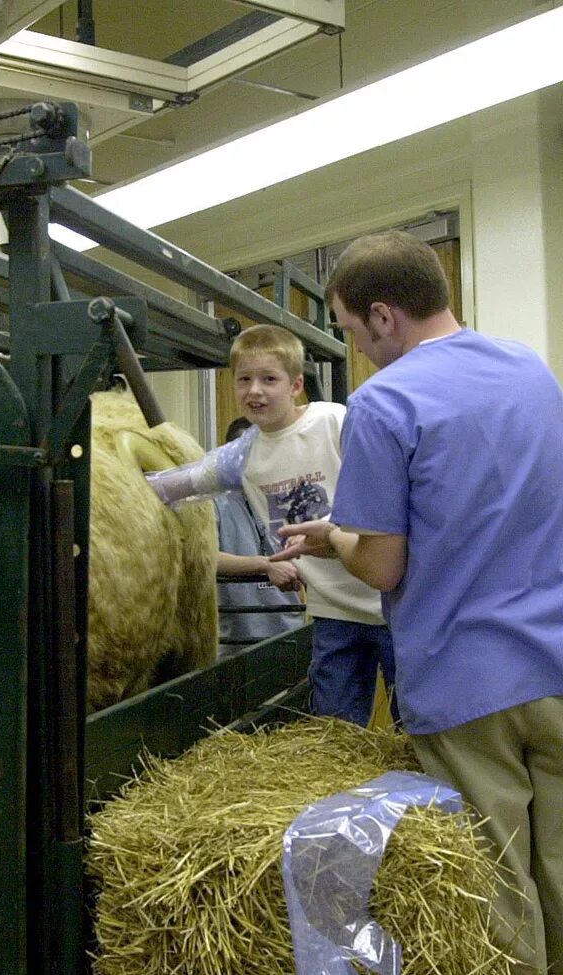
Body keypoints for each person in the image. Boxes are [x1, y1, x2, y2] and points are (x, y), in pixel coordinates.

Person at [273, 230, 563, 973]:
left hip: (469, 686)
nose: (358, 349)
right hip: (557, 661)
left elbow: (382, 563)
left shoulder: (385, 400)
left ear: (383, 315)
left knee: (498, 889)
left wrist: (334, 538)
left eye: (349, 330)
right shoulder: (532, 369)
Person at [229, 324, 398, 726]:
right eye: (244, 380)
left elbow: (382, 487)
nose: (255, 391)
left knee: (416, 720)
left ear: (296, 384)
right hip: (332, 607)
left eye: (269, 379)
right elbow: (179, 482)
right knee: (333, 728)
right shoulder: (240, 455)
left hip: (390, 600)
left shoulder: (333, 420)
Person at [212, 416, 305, 659]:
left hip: (289, 635)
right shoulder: (213, 502)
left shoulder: (289, 497)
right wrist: (264, 565)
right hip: (236, 642)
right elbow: (206, 559)